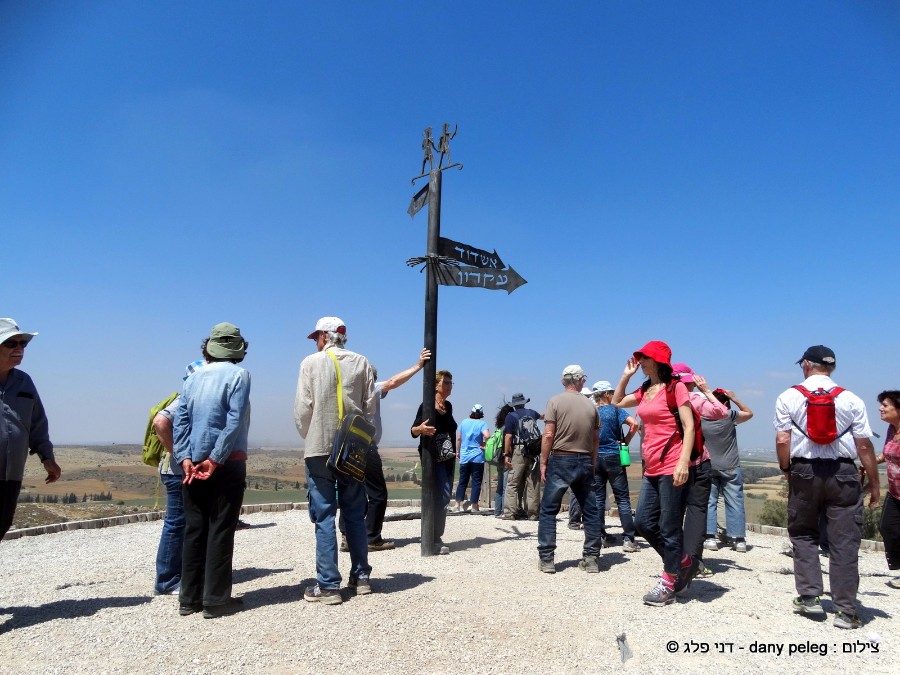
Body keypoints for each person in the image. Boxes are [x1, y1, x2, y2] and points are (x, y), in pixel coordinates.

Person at [774, 345, 880, 629]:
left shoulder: (788, 396)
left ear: (806, 365)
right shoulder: (852, 399)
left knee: (803, 533)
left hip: (804, 471)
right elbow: (865, 445)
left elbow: (783, 440)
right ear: (831, 367)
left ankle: (809, 597)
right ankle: (846, 611)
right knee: (844, 541)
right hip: (844, 472)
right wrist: (875, 482)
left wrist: (786, 468)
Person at [296, 316, 376, 603]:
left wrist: (312, 435)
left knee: (325, 516)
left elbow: (302, 410)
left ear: (323, 336)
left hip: (320, 447)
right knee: (355, 513)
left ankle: (329, 586)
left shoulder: (310, 363)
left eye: (316, 336)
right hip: (353, 449)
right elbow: (370, 408)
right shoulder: (362, 362)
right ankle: (361, 577)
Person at [173, 323, 251, 619]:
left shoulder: (193, 378)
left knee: (194, 528)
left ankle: (188, 598)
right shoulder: (239, 375)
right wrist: (216, 459)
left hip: (192, 463)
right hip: (227, 462)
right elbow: (234, 420)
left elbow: (181, 420)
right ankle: (216, 600)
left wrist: (184, 458)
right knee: (221, 528)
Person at [613, 341, 695, 607]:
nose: (641, 362)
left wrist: (684, 461)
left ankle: (669, 582)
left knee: (669, 527)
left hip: (672, 465)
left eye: (644, 358)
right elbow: (616, 403)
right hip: (652, 467)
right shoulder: (646, 389)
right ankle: (682, 562)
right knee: (644, 524)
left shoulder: (676, 388)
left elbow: (689, 426)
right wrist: (626, 376)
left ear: (658, 361)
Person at [339, 348, 431, 552]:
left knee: (352, 492)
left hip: (346, 445)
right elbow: (392, 382)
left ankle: (346, 536)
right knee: (378, 494)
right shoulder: (371, 388)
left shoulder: (347, 392)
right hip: (365, 446)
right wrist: (417, 366)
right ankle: (371, 537)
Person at [0, 318, 61, 542]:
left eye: (22, 344)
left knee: (3, 524)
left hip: (11, 474)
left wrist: (47, 457)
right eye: (11, 344)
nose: (19, 349)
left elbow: (37, 423)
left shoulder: (25, 382)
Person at [537, 365, 601, 573]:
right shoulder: (592, 406)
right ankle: (591, 558)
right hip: (584, 460)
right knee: (590, 510)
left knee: (548, 510)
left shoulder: (554, 402)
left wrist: (544, 461)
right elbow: (595, 440)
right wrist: (592, 463)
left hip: (561, 458)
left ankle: (547, 559)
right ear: (581, 380)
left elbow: (548, 435)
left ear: (564, 381)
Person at [151, 359, 204, 595]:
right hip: (176, 472)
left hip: (177, 470)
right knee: (176, 524)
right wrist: (181, 456)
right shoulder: (185, 399)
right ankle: (168, 581)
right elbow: (160, 422)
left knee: (183, 523)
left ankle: (180, 574)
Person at [670, 363, 728, 574]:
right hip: (698, 461)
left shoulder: (663, 400)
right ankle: (693, 561)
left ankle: (675, 558)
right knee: (697, 511)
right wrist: (707, 391)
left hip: (671, 463)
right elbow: (722, 412)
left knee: (673, 512)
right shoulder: (694, 399)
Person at [590, 380, 640, 552]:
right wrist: (626, 441)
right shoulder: (617, 410)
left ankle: (599, 536)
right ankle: (629, 539)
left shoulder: (592, 412)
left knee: (597, 499)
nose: (613, 395)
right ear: (606, 394)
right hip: (614, 456)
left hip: (595, 457)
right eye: (611, 392)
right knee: (623, 499)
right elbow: (634, 424)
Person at [411, 369, 457, 554]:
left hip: (447, 457)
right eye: (445, 382)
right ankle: (432, 537)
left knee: (444, 496)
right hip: (434, 458)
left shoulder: (448, 406)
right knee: (440, 495)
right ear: (436, 385)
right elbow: (413, 430)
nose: (449, 386)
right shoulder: (427, 405)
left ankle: (436, 535)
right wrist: (420, 429)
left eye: (450, 382)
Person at [702, 389, 753, 553]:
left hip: (709, 465)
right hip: (730, 465)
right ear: (725, 403)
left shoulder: (702, 417)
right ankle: (738, 540)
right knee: (735, 502)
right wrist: (734, 398)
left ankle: (710, 538)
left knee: (710, 501)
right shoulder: (729, 415)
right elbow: (749, 413)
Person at [500, 393, 542, 521]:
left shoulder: (511, 416)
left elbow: (508, 437)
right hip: (534, 449)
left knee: (513, 482)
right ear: (524, 403)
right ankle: (533, 514)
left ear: (514, 405)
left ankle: (510, 513)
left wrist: (507, 454)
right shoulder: (532, 413)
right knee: (533, 482)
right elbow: (543, 416)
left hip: (519, 450)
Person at [874, 390, 900, 590]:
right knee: (887, 527)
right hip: (895, 492)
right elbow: (885, 454)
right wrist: (869, 462)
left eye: (885, 405)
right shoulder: (892, 430)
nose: (881, 409)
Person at [454, 404, 489, 512]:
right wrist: (484, 443)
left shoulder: (464, 422)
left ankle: (457, 505)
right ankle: (474, 506)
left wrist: (458, 451)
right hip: (478, 456)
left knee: (462, 481)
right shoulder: (482, 423)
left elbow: (459, 438)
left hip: (465, 455)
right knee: (476, 482)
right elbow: (487, 436)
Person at [491, 404, 514, 516]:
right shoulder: (508, 427)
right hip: (505, 457)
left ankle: (497, 511)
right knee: (506, 486)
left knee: (499, 486)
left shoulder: (499, 427)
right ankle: (505, 511)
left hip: (497, 458)